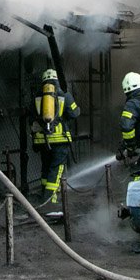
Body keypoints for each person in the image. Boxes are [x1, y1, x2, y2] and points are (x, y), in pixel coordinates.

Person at [31, 68, 80, 205]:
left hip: (42, 140)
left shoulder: (37, 96)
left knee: (46, 167)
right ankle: (50, 202)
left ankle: (44, 196)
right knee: (56, 169)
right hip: (59, 139)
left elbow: (32, 117)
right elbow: (74, 113)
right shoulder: (64, 94)